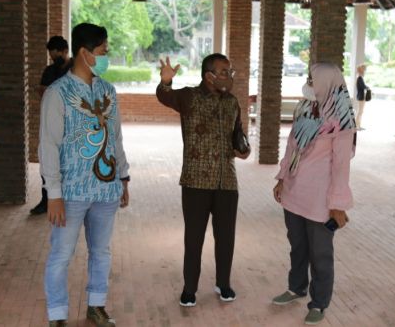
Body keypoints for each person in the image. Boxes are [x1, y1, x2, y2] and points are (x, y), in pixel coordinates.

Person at [40, 23, 130, 327]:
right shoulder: (58, 93)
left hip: (106, 190)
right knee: (61, 255)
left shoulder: (107, 90)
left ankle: (96, 305)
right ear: (84, 52)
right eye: (103, 50)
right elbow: (48, 145)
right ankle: (57, 314)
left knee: (101, 251)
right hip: (71, 192)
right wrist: (53, 194)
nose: (106, 56)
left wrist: (124, 177)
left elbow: (115, 137)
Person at [156, 53, 250, 307]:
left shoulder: (232, 102)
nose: (228, 76)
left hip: (227, 183)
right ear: (208, 75)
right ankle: (190, 289)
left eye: (230, 72)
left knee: (226, 237)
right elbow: (165, 96)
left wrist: (243, 148)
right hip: (196, 182)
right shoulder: (189, 97)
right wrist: (165, 82)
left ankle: (224, 283)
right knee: (194, 238)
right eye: (223, 71)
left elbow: (238, 133)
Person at [271, 63, 357, 325]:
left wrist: (337, 204)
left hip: (321, 197)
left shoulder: (342, 120)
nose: (308, 81)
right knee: (297, 246)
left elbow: (341, 165)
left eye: (313, 78)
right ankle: (296, 287)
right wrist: (282, 178)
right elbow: (291, 145)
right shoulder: (305, 108)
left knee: (320, 253)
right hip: (295, 191)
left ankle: (319, 302)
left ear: (327, 82)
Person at [31, 36, 73, 215]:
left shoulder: (73, 70)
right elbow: (43, 91)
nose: (54, 58)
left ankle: (69, 199)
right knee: (48, 159)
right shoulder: (49, 71)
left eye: (56, 54)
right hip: (52, 120)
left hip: (71, 123)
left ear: (65, 51)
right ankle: (46, 199)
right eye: (51, 55)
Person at [355, 64, 369, 130]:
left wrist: (367, 87)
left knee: (360, 111)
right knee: (359, 112)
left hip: (361, 96)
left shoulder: (359, 78)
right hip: (361, 97)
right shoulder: (359, 78)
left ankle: (358, 126)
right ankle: (356, 126)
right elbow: (363, 87)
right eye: (364, 70)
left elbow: (363, 86)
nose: (365, 71)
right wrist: (368, 88)